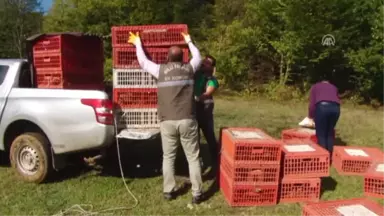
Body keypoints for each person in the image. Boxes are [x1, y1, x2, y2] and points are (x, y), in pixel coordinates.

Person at [128, 32, 204, 204]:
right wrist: (189, 40)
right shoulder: (190, 68)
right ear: (183, 57)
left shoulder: (160, 70)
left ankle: (169, 191)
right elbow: (198, 56)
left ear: (167, 57)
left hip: (167, 120)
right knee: (192, 157)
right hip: (187, 119)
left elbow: (143, 62)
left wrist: (138, 43)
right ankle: (197, 193)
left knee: (168, 157)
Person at [194, 55, 219, 172]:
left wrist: (199, 97)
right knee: (195, 139)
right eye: (204, 61)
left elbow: (209, 91)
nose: (204, 63)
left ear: (212, 67)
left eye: (207, 62)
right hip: (194, 111)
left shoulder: (212, 80)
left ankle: (216, 162)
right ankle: (199, 164)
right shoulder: (196, 73)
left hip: (205, 112)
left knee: (210, 137)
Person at [308, 73, 340, 153]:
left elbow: (312, 104)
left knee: (321, 133)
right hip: (336, 109)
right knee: (329, 132)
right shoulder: (334, 87)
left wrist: (311, 116)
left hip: (322, 108)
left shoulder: (315, 87)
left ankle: (323, 156)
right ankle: (329, 154)